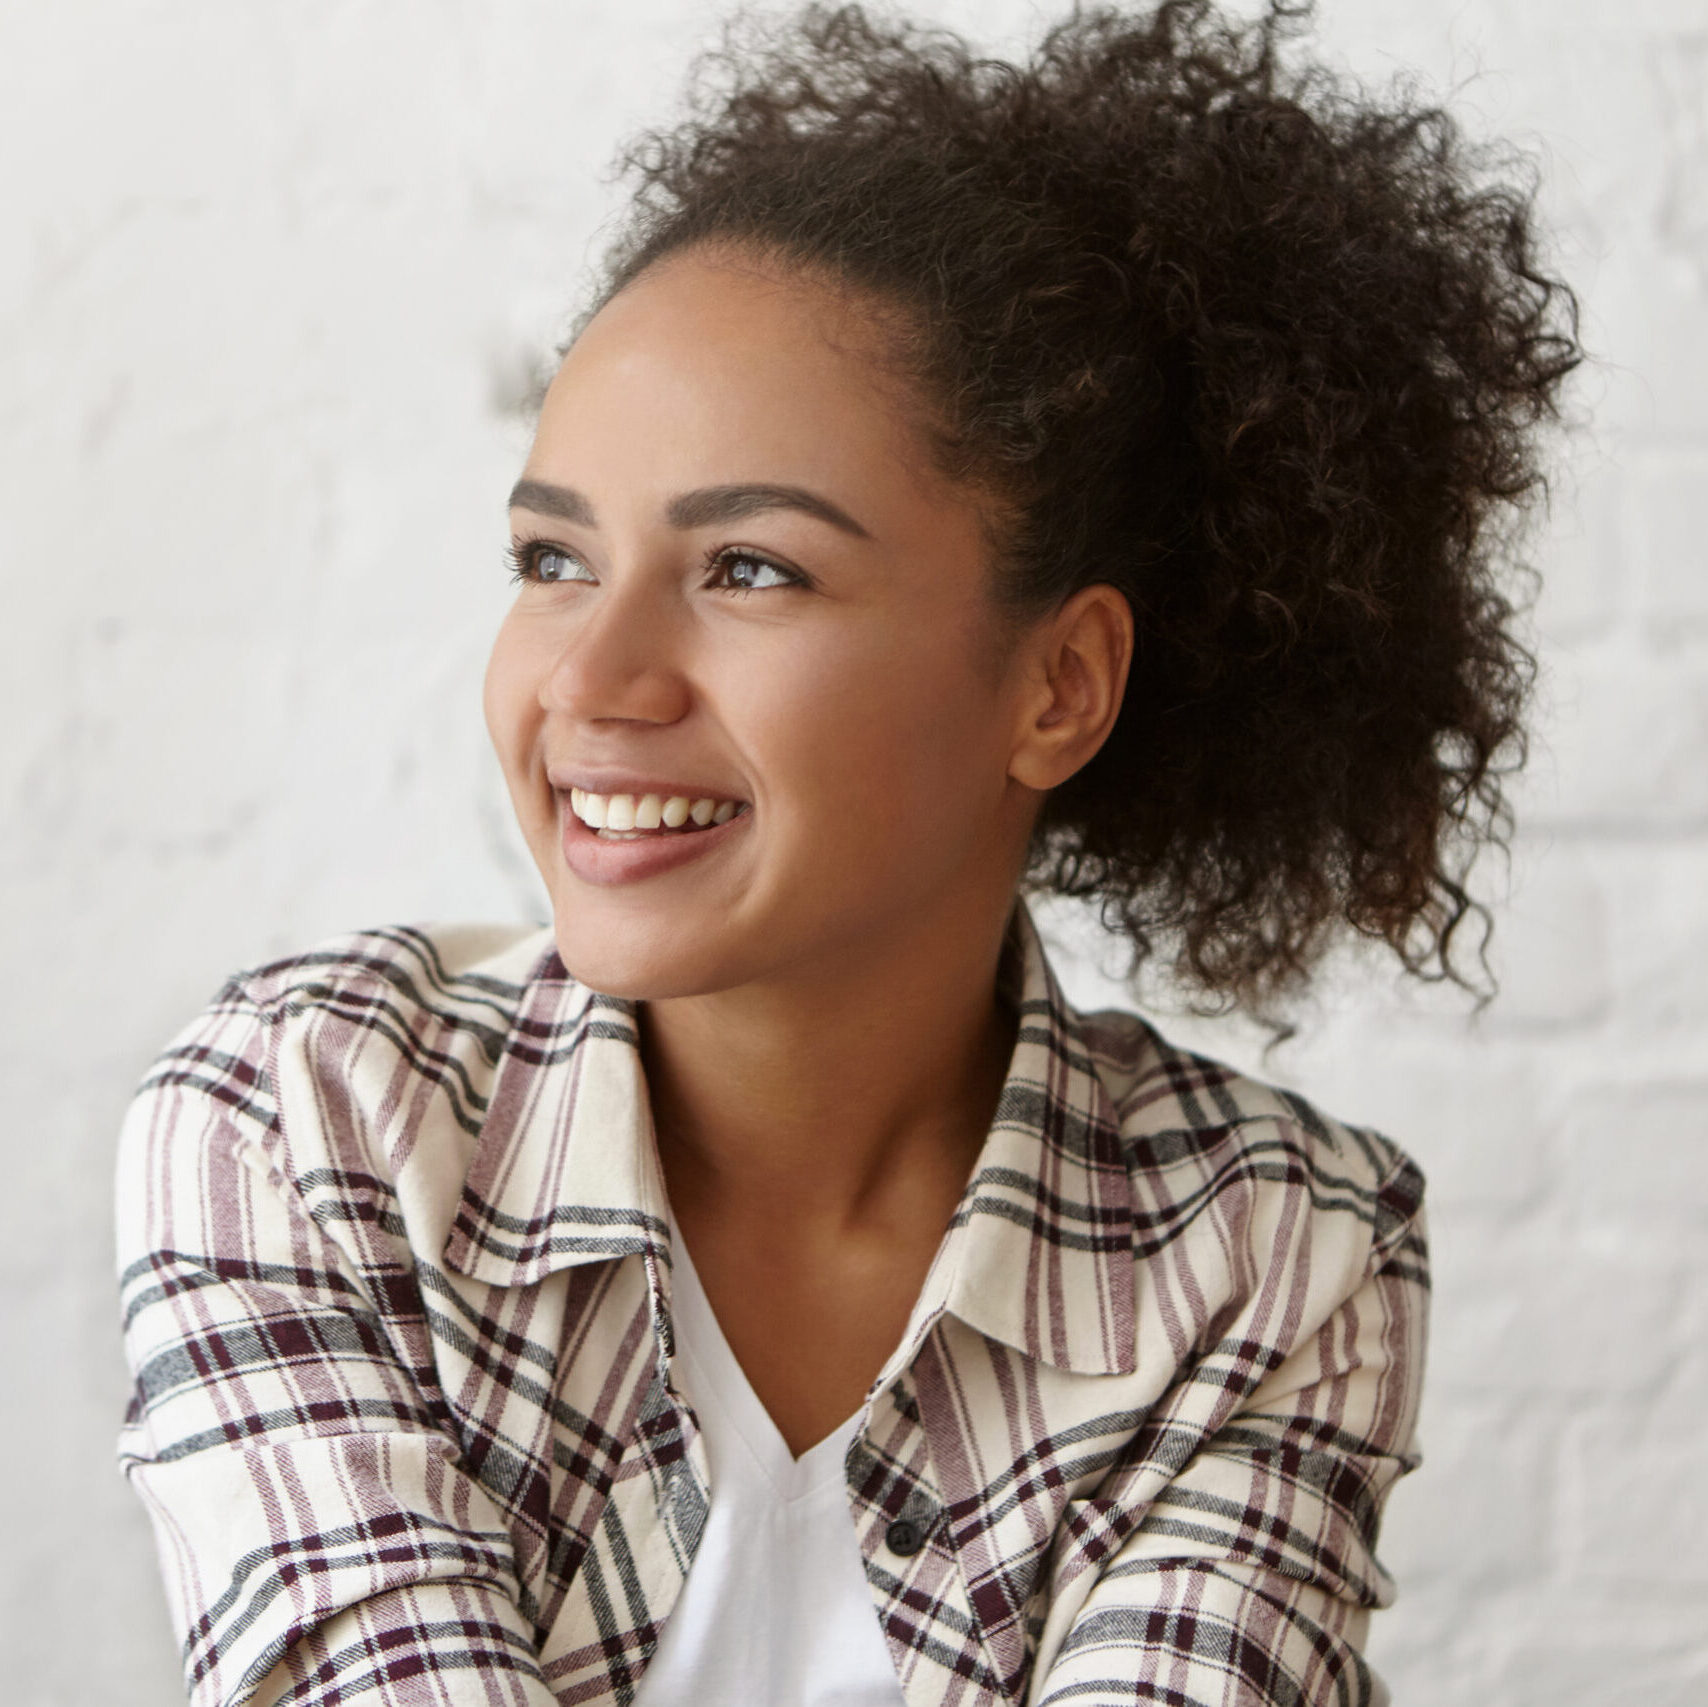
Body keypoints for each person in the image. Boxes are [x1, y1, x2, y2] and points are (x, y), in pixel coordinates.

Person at [113, 3, 1580, 1703]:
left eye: (750, 569)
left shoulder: (1275, 1258)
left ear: (1059, 683)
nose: (589, 680)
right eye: (549, 556)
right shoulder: (306, 1122)